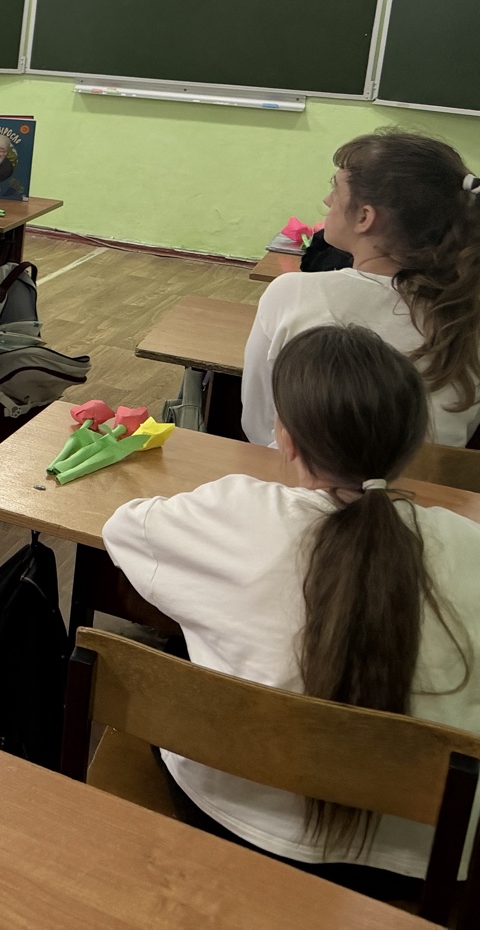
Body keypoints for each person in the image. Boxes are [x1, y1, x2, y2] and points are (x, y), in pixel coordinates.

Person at [105, 324, 480, 895]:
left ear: (287, 437)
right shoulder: (468, 545)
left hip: (228, 816)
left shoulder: (234, 510)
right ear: (411, 446)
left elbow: (124, 528)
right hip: (429, 862)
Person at [242, 131, 480, 449]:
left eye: (335, 188)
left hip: (302, 474)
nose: (327, 200)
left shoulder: (292, 293)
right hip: (437, 481)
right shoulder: (466, 307)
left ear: (365, 217)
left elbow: (258, 425)